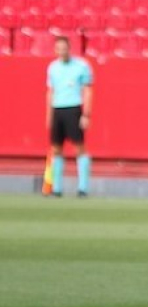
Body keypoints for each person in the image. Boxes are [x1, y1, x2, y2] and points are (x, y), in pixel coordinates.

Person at [46, 36, 94, 198]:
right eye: (58, 48)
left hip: (73, 108)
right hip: (57, 108)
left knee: (79, 147)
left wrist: (86, 114)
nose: (62, 51)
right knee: (56, 148)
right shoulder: (52, 67)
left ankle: (83, 188)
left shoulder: (81, 66)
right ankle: (57, 188)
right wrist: (49, 114)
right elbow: (50, 91)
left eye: (64, 48)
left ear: (69, 48)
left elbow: (88, 90)